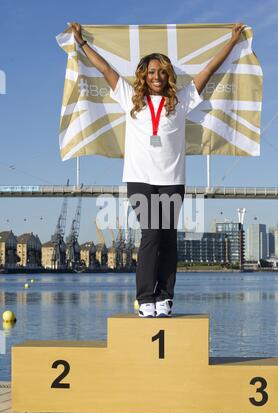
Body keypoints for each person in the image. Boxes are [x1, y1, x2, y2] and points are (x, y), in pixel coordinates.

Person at [70, 22, 245, 318]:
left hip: (172, 180)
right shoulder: (130, 99)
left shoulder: (181, 100)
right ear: (143, 75)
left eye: (161, 72)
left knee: (167, 236)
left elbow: (208, 71)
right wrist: (82, 44)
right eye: (151, 72)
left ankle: (165, 296)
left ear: (168, 76)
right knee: (151, 234)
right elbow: (106, 70)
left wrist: (230, 42)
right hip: (139, 180)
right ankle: (145, 297)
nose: (156, 77)